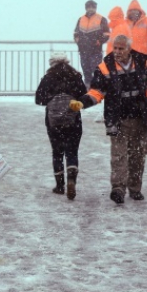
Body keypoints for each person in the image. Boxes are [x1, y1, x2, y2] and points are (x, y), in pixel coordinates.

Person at [69, 35, 147, 204]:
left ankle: (135, 188)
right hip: (118, 119)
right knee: (119, 156)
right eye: (115, 48)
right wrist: (82, 102)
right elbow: (97, 92)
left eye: (121, 48)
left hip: (140, 117)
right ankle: (118, 189)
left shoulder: (142, 63)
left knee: (138, 156)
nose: (117, 52)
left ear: (129, 49)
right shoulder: (104, 67)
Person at [35, 52, 87, 200]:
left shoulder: (48, 78)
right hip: (73, 119)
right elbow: (84, 96)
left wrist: (53, 101)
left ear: (52, 63)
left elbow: (39, 99)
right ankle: (72, 180)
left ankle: (59, 186)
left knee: (57, 152)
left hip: (53, 122)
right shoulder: (75, 76)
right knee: (72, 151)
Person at [74, 0, 110, 88]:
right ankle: (88, 90)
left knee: (96, 71)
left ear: (95, 8)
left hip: (95, 51)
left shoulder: (101, 19)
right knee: (86, 72)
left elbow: (107, 34)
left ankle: (97, 90)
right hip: (83, 51)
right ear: (86, 8)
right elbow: (76, 33)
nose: (91, 9)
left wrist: (99, 41)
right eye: (89, 7)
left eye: (93, 7)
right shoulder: (81, 19)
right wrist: (79, 41)